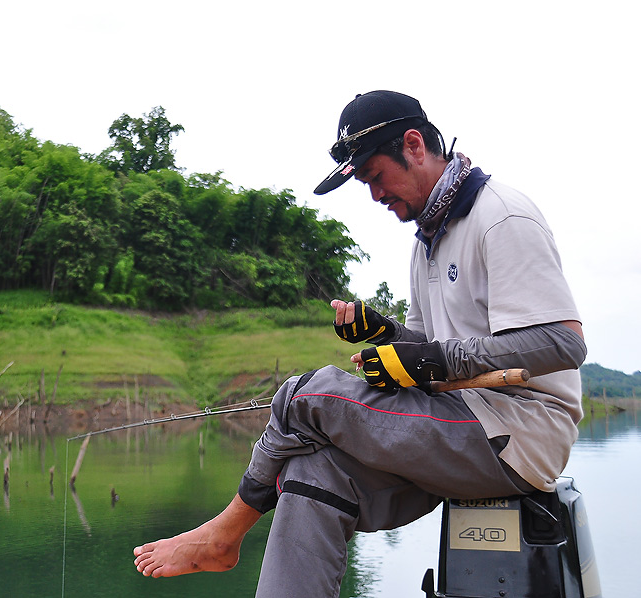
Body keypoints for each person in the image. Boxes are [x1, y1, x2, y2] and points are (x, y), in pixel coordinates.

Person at [132, 90, 586, 597]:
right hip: (456, 426)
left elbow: (562, 344)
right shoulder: (428, 241)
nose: (374, 196)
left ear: (413, 145)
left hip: (519, 435)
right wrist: (387, 335)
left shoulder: (501, 216)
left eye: (374, 177)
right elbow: (430, 349)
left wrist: (433, 357)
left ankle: (226, 532)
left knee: (308, 396)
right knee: (311, 472)